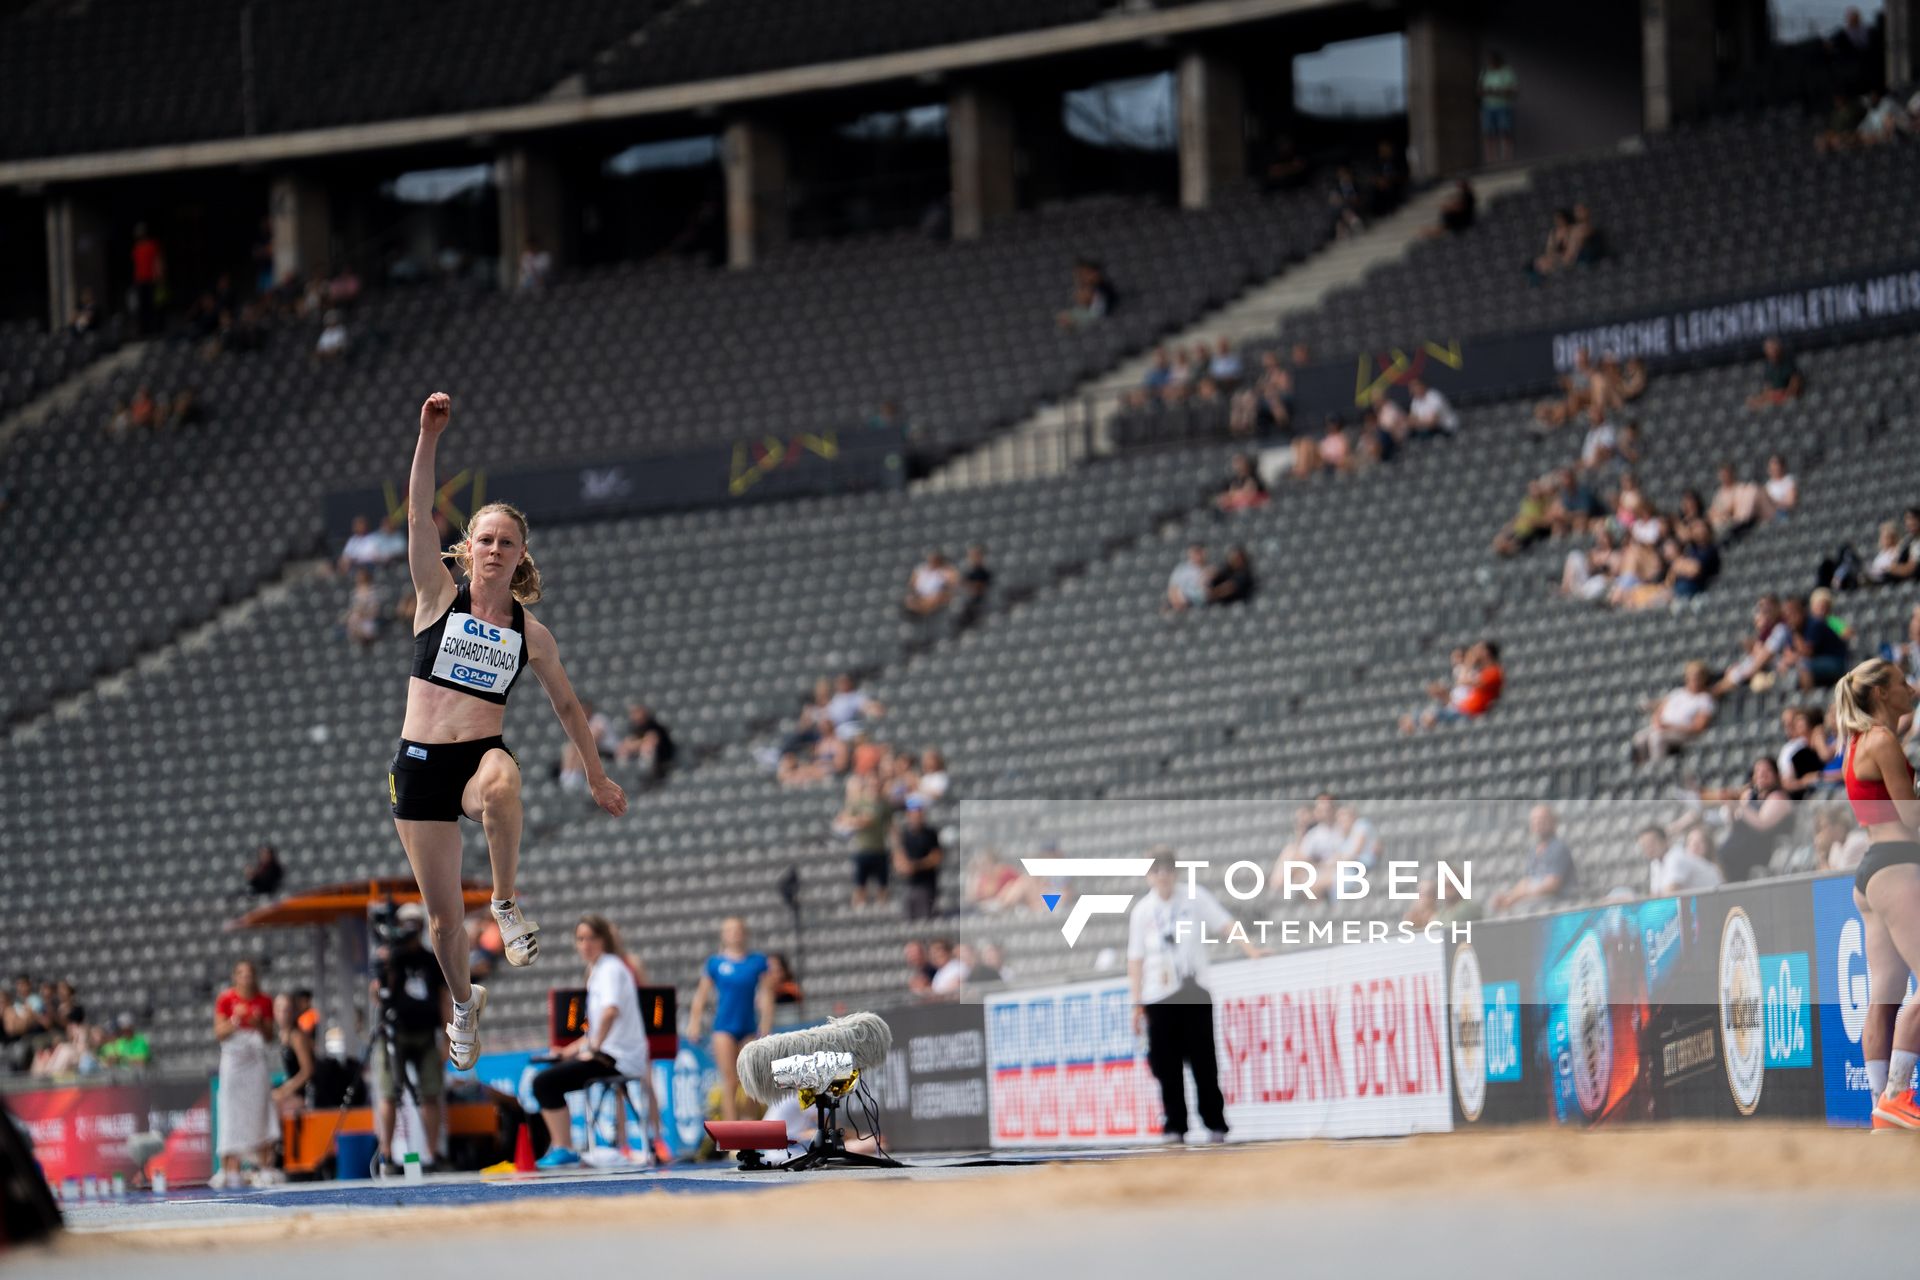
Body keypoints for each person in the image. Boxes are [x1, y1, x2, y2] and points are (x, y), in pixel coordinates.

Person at [389, 393, 628, 1072]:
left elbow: (569, 709)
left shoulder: (531, 634)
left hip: (476, 757)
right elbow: (415, 512)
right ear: (467, 550)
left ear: (521, 555)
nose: (494, 549)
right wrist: (428, 435)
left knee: (502, 780)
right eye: (485, 539)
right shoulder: (438, 597)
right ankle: (464, 1005)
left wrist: (596, 772)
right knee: (441, 923)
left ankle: (504, 901)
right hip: (418, 766)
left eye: (507, 541)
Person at [1832, 659, 1920, 1129]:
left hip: (1871, 873)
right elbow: (1911, 819)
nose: (1911, 688)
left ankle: (1880, 1110)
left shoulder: (1859, 742)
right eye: (1903, 682)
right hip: (1897, 868)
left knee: (1884, 997)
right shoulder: (1882, 742)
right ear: (1882, 694)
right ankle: (1898, 1094)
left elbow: (1905, 711)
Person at [1127, 851, 1262, 1145]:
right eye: (1156, 869)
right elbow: (1135, 959)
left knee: (1204, 1061)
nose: (1162, 875)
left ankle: (1215, 1123)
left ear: (1175, 872)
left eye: (1167, 868)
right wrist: (1136, 1001)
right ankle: (1175, 1125)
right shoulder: (1142, 911)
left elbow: (1225, 924)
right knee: (1167, 1065)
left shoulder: (1194, 897)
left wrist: (1250, 949)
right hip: (1159, 995)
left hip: (1194, 990)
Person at [530, 915, 651, 1168]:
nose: (585, 944)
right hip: (609, 1053)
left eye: (591, 938)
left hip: (618, 1058)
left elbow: (610, 1012)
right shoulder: (598, 970)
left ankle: (564, 1148)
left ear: (604, 940)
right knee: (548, 1077)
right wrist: (568, 1051)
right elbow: (594, 1030)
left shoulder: (610, 968)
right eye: (580, 939)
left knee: (544, 1082)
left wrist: (593, 1049)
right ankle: (563, 1146)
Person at [370, 902, 451, 1173]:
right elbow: (377, 995)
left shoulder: (430, 959)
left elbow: (443, 999)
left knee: (430, 1091)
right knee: (390, 1092)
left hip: (426, 1033)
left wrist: (448, 1038)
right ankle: (387, 1154)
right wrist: (388, 962)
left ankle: (432, 1152)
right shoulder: (392, 958)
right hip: (395, 1032)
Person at [686, 917, 773, 1124]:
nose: (734, 934)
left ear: (745, 933)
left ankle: (751, 1125)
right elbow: (701, 995)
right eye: (729, 930)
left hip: (748, 1026)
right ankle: (732, 1130)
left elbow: (767, 994)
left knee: (750, 1080)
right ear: (723, 935)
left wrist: (766, 1023)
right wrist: (694, 1022)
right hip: (724, 1027)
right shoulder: (716, 963)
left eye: (737, 930)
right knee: (729, 1081)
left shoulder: (757, 962)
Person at [213, 959, 278, 1188]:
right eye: (242, 973)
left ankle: (265, 1165)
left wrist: (258, 1022)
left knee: (260, 1111)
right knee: (232, 1114)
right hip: (234, 1064)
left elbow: (270, 1036)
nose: (246, 978)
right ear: (235, 976)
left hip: (255, 1063)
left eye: (250, 973)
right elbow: (219, 1032)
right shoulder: (226, 1000)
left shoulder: (265, 1000)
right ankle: (232, 1168)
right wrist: (235, 1019)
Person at [1489, 805, 1578, 914]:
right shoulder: (1534, 851)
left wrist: (1521, 896)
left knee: (1523, 909)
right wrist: (1509, 897)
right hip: (1536, 900)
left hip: (1556, 901)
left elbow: (1552, 885)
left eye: (1542, 820)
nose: (1538, 824)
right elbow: (1527, 880)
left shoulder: (1559, 848)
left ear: (1553, 823)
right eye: (1534, 820)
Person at [1631, 661, 1716, 764]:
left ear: (1704, 678)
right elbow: (1659, 711)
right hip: (1663, 728)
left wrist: (1670, 727)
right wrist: (1657, 722)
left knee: (1657, 738)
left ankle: (1658, 771)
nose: (1694, 679)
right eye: (1692, 675)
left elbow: (1698, 727)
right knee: (1639, 738)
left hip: (1684, 733)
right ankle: (1644, 769)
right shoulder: (1677, 693)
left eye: (1698, 676)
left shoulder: (1705, 699)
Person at [892, 796, 944, 921]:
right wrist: (903, 866)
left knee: (925, 920)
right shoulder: (904, 834)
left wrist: (915, 866)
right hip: (907, 885)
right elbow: (898, 857)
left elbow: (936, 857)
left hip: (926, 885)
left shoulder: (930, 834)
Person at [1639, 824, 1723, 896]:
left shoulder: (1676, 857)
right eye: (1644, 845)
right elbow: (1655, 895)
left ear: (1665, 841)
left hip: (1715, 904)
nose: (1648, 848)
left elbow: (1669, 895)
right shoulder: (1655, 862)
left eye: (1652, 843)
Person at [274, 990, 317, 1111]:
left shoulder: (296, 1036)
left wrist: (285, 1090)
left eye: (286, 1010)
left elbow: (307, 1071)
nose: (283, 1014)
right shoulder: (282, 1035)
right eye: (279, 1010)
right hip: (294, 1089)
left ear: (293, 1012)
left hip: (306, 1092)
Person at [613, 702, 675, 783]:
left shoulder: (653, 725)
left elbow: (651, 740)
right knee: (622, 749)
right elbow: (628, 742)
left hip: (663, 759)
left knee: (647, 747)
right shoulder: (634, 727)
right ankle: (623, 775)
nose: (633, 716)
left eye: (636, 712)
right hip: (639, 757)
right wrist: (634, 744)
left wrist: (635, 744)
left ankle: (646, 775)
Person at [1478, 51, 1517, 163]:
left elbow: (1513, 90)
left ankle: (1507, 158)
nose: (1491, 63)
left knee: (1505, 130)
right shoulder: (1485, 72)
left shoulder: (1506, 71)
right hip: (1488, 106)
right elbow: (1479, 90)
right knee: (1489, 133)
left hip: (1503, 105)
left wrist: (1498, 91)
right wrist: (1486, 92)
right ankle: (1491, 160)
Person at [1746, 337, 1803, 408]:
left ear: (1778, 348)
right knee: (1752, 401)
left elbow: (1795, 384)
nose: (1771, 351)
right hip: (1774, 396)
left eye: (1772, 347)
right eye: (1768, 348)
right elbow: (1767, 388)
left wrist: (1784, 394)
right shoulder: (1768, 366)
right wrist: (1767, 396)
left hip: (1786, 396)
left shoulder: (1788, 363)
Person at [904, 550, 960, 617]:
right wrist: (915, 594)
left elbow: (953, 586)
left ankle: (924, 612)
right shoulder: (921, 568)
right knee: (909, 600)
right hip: (919, 595)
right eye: (930, 560)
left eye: (934, 560)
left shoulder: (947, 571)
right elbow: (912, 583)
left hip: (937, 597)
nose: (931, 562)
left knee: (931, 600)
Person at [1165, 543, 1211, 614]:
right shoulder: (1182, 569)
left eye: (1199, 552)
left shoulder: (1210, 569)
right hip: (1182, 606)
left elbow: (1207, 592)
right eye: (1194, 552)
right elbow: (1173, 589)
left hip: (1202, 605)